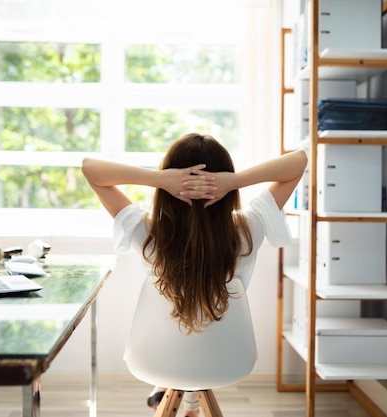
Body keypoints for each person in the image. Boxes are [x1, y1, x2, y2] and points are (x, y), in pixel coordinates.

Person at [81, 133, 307, 417]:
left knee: (175, 326)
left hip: (157, 359)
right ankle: (187, 404)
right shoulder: (248, 230)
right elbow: (299, 162)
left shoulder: (149, 233)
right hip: (226, 359)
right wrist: (233, 181)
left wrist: (162, 179)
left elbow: (90, 168)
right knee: (196, 330)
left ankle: (166, 390)